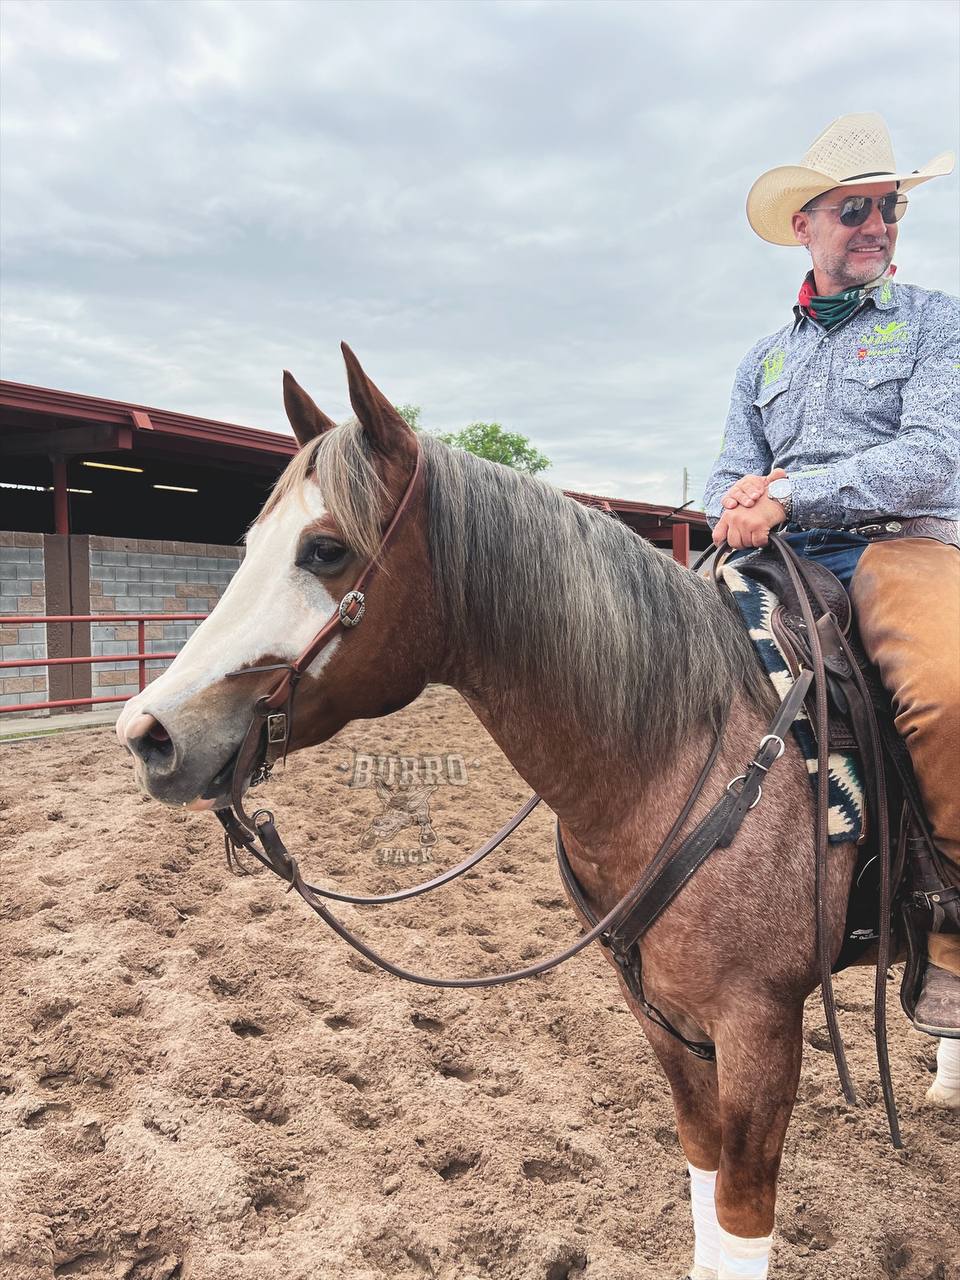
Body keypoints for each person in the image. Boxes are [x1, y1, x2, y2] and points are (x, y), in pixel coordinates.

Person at [703, 112, 960, 1039]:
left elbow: (932, 457)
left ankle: (952, 927)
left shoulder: (936, 322)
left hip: (902, 546)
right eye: (854, 211)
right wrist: (731, 506)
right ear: (805, 225)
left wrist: (789, 493)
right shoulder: (762, 360)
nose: (877, 228)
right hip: (781, 555)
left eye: (888, 209)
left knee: (947, 693)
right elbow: (726, 471)